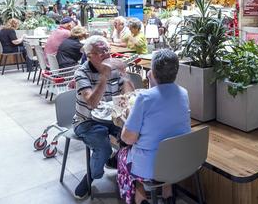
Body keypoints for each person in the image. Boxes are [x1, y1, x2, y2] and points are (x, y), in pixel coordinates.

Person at [118, 49, 191, 204]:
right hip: (179, 159)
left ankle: (140, 196)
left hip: (151, 167)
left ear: (152, 72)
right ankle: (167, 192)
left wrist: (128, 117)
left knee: (123, 154)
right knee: (166, 145)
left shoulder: (144, 98)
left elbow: (128, 139)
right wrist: (153, 83)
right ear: (176, 71)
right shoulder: (183, 93)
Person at [72, 36, 134, 199]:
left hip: (112, 119)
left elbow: (129, 96)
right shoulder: (81, 72)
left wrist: (124, 74)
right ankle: (90, 177)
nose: (106, 54)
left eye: (107, 50)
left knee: (133, 137)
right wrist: (104, 78)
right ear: (90, 55)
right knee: (104, 147)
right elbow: (91, 103)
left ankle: (121, 167)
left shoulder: (113, 68)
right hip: (86, 121)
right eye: (101, 51)